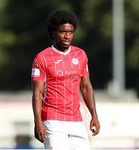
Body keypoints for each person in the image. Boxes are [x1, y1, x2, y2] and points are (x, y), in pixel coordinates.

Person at [31, 9, 100, 150]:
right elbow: (37, 93)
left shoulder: (80, 55)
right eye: (63, 32)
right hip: (53, 120)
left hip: (76, 120)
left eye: (70, 32)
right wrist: (38, 122)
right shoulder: (42, 58)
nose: (67, 36)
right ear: (53, 33)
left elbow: (86, 87)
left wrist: (94, 115)